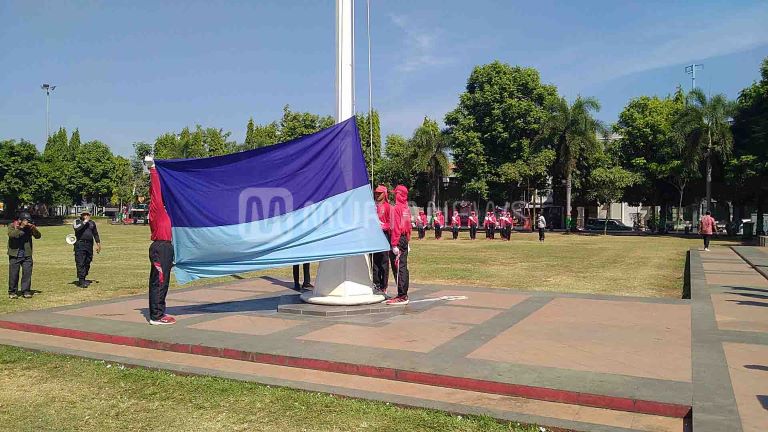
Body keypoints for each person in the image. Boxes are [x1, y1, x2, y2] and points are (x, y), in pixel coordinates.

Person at [146, 159, 176, 325]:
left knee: (162, 282)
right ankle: (156, 316)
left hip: (166, 248)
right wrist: (153, 169)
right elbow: (156, 191)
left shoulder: (166, 210)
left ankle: (158, 312)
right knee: (159, 281)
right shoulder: (157, 209)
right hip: (160, 247)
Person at [386, 185, 412, 305]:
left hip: (398, 239)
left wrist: (394, 244)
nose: (394, 195)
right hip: (404, 239)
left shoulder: (397, 208)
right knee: (403, 267)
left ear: (399, 194)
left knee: (398, 267)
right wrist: (408, 240)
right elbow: (409, 227)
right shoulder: (406, 208)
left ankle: (402, 295)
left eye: (395, 193)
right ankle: (404, 293)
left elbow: (396, 227)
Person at [7, 212, 41, 299]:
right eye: (26, 221)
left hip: (27, 254)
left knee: (27, 274)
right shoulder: (12, 225)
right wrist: (21, 227)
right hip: (15, 254)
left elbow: (38, 236)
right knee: (14, 274)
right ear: (20, 220)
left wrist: (33, 229)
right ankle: (12, 292)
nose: (27, 223)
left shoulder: (29, 227)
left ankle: (26, 291)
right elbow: (12, 235)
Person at [73, 210, 101, 287]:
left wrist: (98, 244)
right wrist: (85, 221)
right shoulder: (77, 221)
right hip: (80, 244)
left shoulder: (92, 223)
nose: (86, 215)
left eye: (87, 214)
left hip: (89, 244)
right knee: (80, 262)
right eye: (84, 214)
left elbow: (95, 234)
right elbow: (77, 229)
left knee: (88, 261)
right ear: (81, 215)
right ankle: (81, 281)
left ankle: (84, 277)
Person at [371, 185, 391, 296]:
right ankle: (376, 283)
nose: (377, 195)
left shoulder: (388, 207)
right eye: (376, 193)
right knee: (375, 261)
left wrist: (383, 226)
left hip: (384, 235)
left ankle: (384, 286)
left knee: (384, 261)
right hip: (374, 236)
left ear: (384, 194)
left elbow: (391, 223)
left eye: (379, 193)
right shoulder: (372, 206)